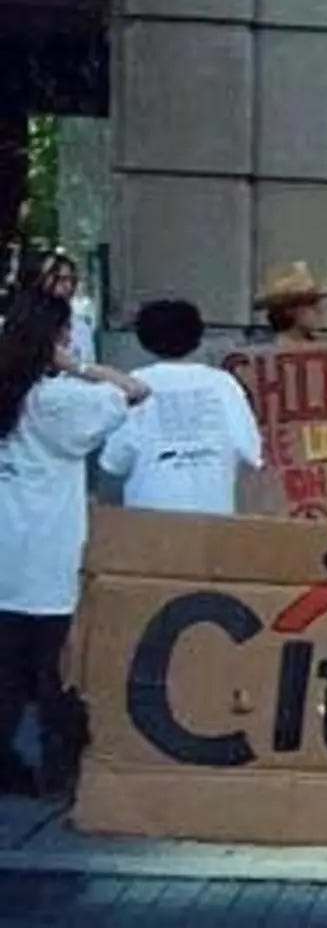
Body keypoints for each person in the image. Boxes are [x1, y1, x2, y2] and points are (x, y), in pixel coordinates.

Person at [0, 291, 149, 797]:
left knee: (6, 675)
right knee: (58, 673)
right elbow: (134, 389)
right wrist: (76, 366)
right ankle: (60, 773)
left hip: (6, 554)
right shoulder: (57, 401)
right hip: (50, 555)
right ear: (56, 338)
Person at [99, 299, 262, 515]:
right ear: (198, 337)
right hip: (215, 509)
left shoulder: (134, 383)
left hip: (149, 509)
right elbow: (249, 449)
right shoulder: (223, 383)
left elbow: (116, 458)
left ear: (143, 338)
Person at [253, 261, 327, 343]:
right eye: (311, 302)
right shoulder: (269, 348)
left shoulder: (323, 346)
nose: (319, 309)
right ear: (288, 309)